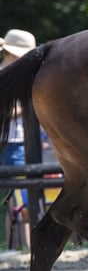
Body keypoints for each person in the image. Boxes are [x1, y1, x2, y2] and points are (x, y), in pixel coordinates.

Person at [1, 29, 37, 248]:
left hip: (20, 140)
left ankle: (17, 245)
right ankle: (27, 245)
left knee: (19, 196)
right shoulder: (4, 74)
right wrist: (28, 107)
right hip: (12, 142)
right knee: (22, 197)